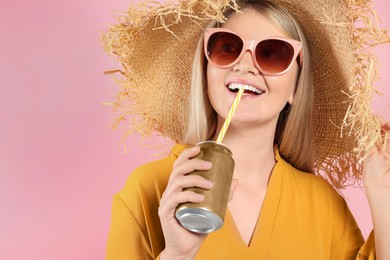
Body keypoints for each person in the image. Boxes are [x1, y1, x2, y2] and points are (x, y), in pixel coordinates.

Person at [102, 0, 390, 259]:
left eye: (272, 53)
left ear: (296, 87)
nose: (246, 65)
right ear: (206, 70)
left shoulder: (323, 205)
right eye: (227, 47)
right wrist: (177, 255)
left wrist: (382, 192)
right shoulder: (149, 189)